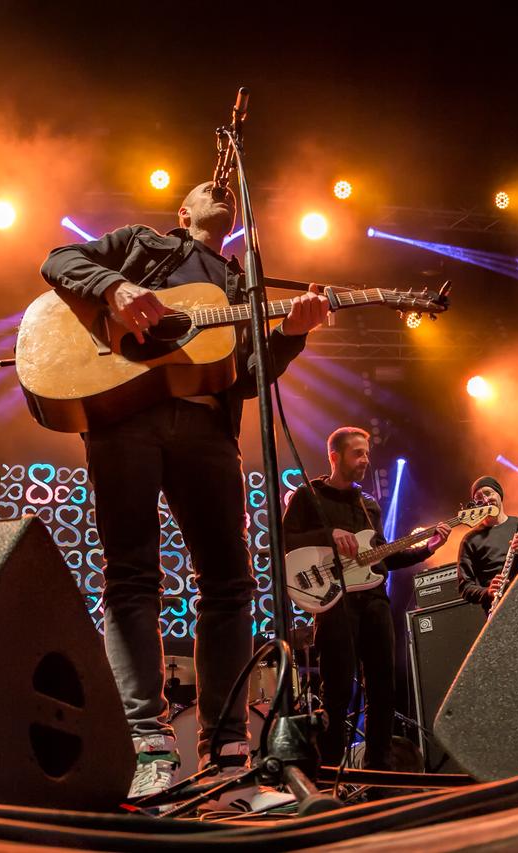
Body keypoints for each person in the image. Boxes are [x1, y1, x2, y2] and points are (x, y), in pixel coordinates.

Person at [39, 181, 330, 798]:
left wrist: (292, 334)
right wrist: (116, 288)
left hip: (207, 428)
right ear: (185, 213)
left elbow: (247, 377)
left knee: (230, 582)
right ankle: (144, 744)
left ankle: (227, 755)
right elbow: (58, 261)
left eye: (225, 188)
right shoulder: (143, 244)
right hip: (124, 418)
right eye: (206, 189)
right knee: (132, 573)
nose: (220, 189)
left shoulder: (239, 283)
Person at [282, 426, 450, 770]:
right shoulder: (308, 497)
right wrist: (330, 534)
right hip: (334, 602)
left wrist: (424, 550)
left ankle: (379, 767)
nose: (365, 460)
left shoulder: (368, 503)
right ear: (335, 456)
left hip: (374, 602)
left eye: (367, 453)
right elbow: (285, 540)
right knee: (338, 691)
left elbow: (380, 556)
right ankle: (328, 770)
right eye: (357, 453)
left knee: (384, 689)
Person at [456, 475, 518, 616]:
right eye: (479, 498)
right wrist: (487, 592)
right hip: (501, 612)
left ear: (499, 495)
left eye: (488, 493)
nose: (485, 500)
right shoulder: (470, 540)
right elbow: (465, 587)